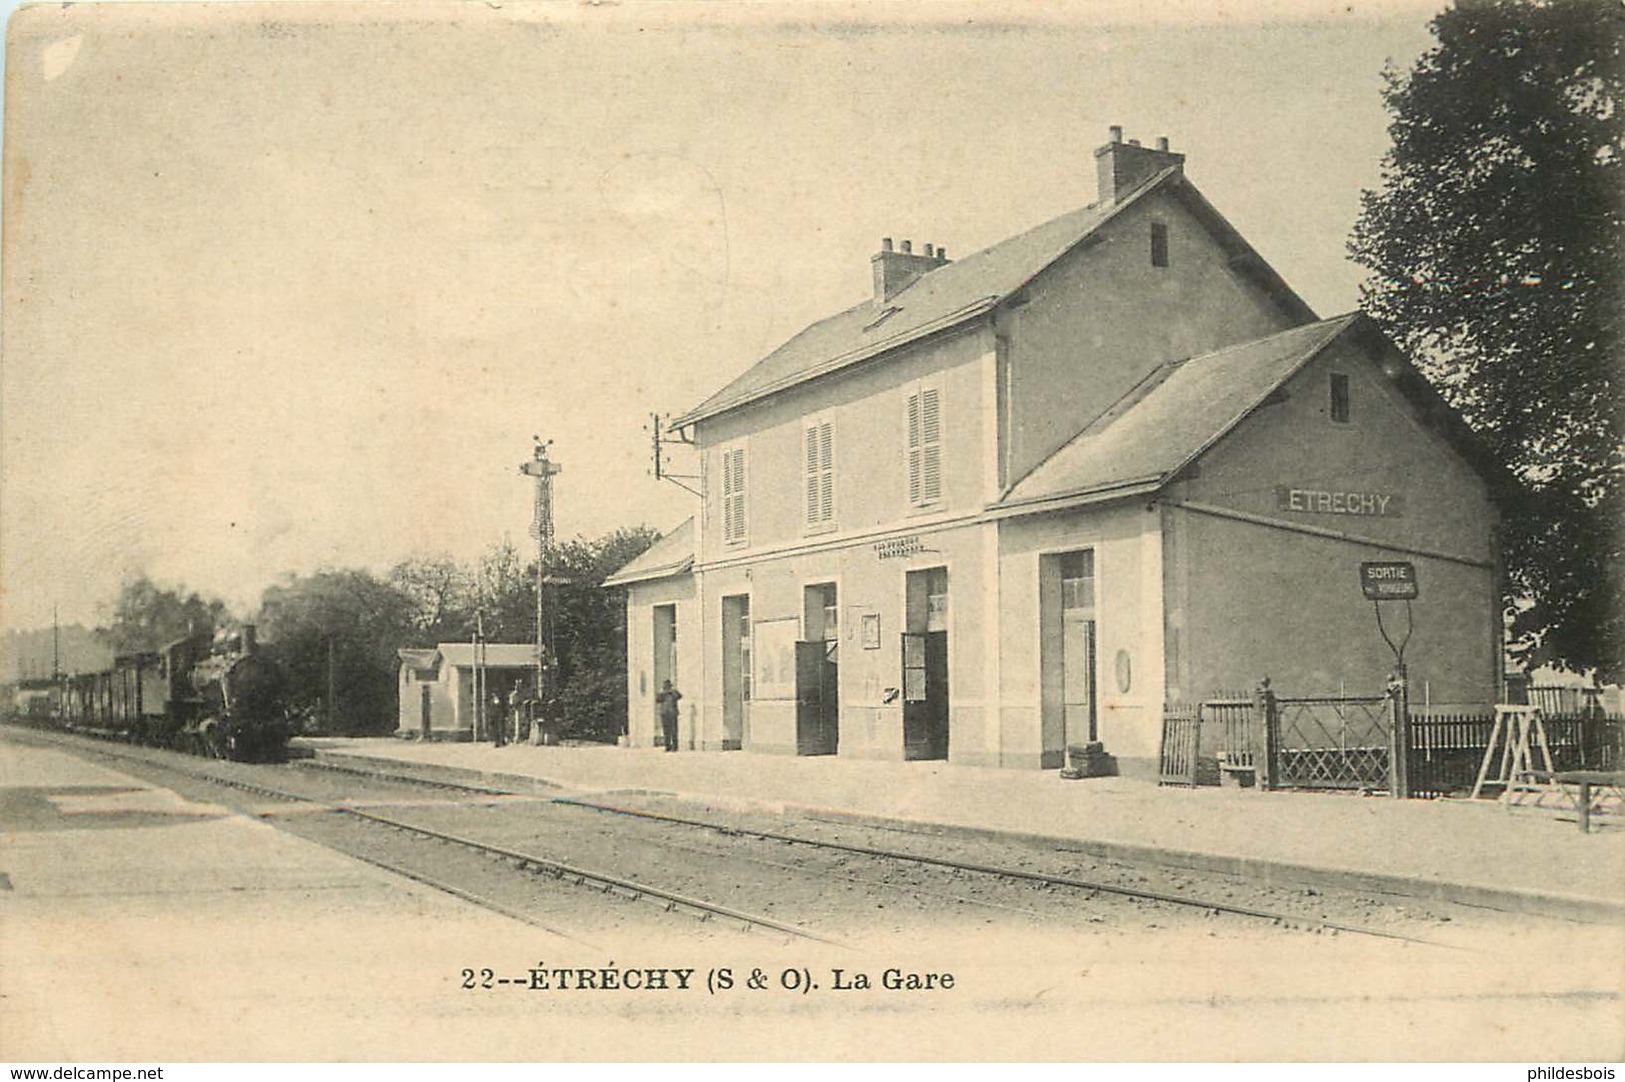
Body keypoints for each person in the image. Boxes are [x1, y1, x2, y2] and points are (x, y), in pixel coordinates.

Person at [655, 680, 681, 752]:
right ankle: (667, 746)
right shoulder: (662, 694)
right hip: (664, 713)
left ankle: (675, 746)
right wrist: (662, 693)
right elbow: (657, 699)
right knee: (666, 731)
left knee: (673, 731)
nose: (666, 688)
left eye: (667, 686)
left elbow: (679, 696)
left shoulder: (673, 692)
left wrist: (672, 691)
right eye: (665, 686)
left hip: (672, 713)